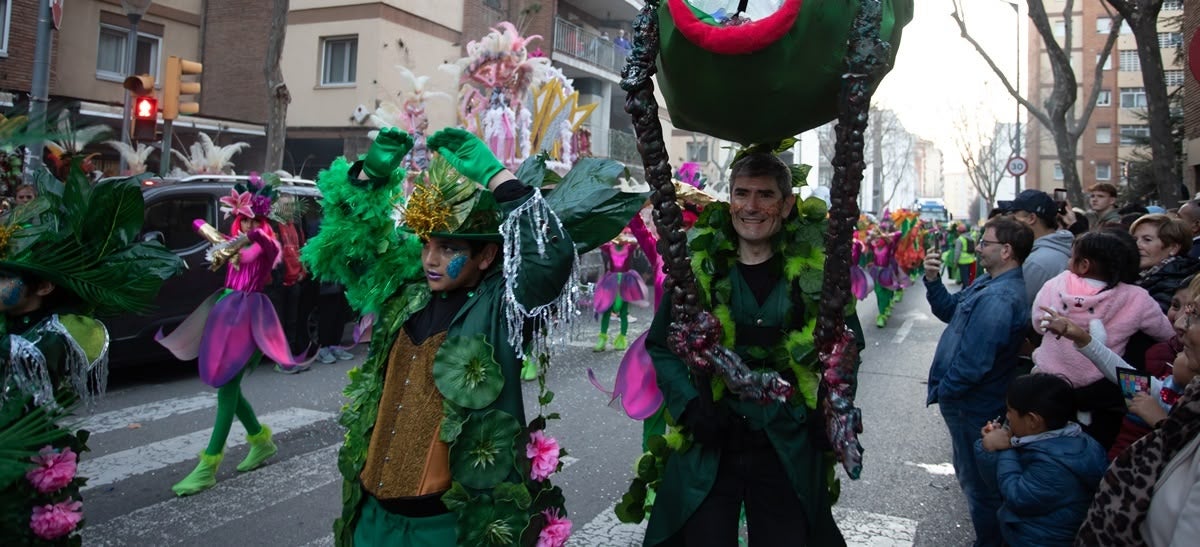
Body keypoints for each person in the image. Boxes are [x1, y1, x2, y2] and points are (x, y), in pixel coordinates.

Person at [305, 127, 635, 545]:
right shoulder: (405, 295)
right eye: (427, 244)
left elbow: (549, 257)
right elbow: (351, 246)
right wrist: (370, 177)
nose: (430, 259)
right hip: (374, 519)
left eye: (448, 248)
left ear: (487, 256)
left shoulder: (502, 308)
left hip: (449, 528)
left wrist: (497, 176)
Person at [642, 152, 859, 546]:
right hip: (713, 444)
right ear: (729, 200)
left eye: (766, 195)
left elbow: (844, 349)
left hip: (785, 446)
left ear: (788, 204)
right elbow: (661, 345)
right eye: (742, 194)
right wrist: (692, 406)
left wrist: (826, 410)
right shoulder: (697, 274)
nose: (752, 207)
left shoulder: (817, 278)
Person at [0, 167, 183, 544]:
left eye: (6, 277)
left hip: (24, 456)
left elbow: (22, 360)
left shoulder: (56, 333)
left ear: (45, 285)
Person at [156, 175, 314, 496]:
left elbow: (261, 246)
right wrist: (222, 226)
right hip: (226, 309)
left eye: (251, 221)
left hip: (248, 316)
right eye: (240, 220)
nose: (244, 227)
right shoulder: (231, 244)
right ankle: (261, 441)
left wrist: (255, 220)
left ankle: (208, 465)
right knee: (228, 387)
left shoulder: (266, 246)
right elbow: (200, 222)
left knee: (227, 387)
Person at [923, 216, 1034, 547]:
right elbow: (950, 310)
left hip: (973, 404)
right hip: (968, 402)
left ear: (1007, 251)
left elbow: (975, 362)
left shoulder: (1000, 297)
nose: (978, 247)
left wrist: (948, 392)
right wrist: (932, 280)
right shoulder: (988, 283)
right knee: (975, 482)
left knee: (980, 489)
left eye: (985, 243)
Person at [1030, 231, 1174, 450]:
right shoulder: (1136, 297)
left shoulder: (1056, 284)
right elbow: (1165, 332)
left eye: (1071, 257)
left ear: (1084, 264)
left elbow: (1037, 322)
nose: (1068, 262)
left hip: (1048, 374)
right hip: (1099, 381)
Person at [975, 373, 1107, 547]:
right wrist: (989, 446)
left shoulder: (1054, 466)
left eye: (1009, 411)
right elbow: (997, 480)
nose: (1006, 416)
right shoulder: (1079, 440)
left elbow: (1015, 497)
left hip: (1037, 539)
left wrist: (1007, 449)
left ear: (1032, 420)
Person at [997, 189, 1074, 304]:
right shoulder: (1056, 248)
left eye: (1015, 217)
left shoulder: (1037, 262)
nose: (1011, 223)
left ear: (1031, 218)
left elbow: (1016, 305)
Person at [1131, 214, 1200, 313]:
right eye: (1134, 240)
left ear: (1173, 248)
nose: (1137, 245)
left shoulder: (1177, 281)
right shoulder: (1136, 275)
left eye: (1147, 240)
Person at [593, 228, 648, 351]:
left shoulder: (629, 248)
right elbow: (599, 242)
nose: (621, 237)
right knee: (607, 310)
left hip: (625, 282)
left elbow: (639, 240)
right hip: (611, 282)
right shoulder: (609, 247)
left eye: (623, 234)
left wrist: (627, 239)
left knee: (623, 313)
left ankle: (622, 339)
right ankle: (602, 339)